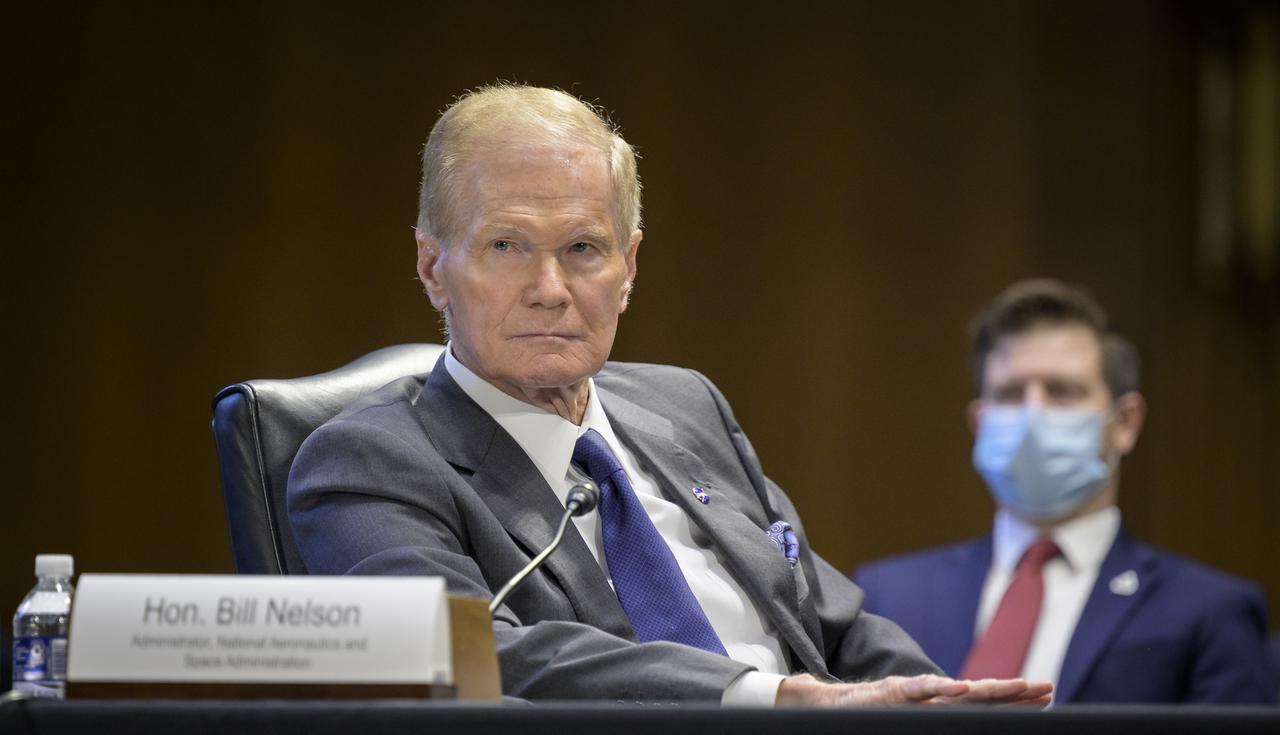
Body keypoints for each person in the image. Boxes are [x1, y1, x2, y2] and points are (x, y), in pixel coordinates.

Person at [286, 84, 1050, 707]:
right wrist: (766, 698)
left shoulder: (684, 406)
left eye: (583, 248)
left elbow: (829, 620)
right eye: (506, 245)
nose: (550, 290)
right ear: (432, 268)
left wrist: (946, 701)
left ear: (630, 266)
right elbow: (478, 654)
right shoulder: (368, 461)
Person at [853, 279, 1276, 705]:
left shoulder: (1208, 610)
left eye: (1063, 391)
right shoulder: (889, 596)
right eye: (1009, 393)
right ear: (979, 424)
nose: (1032, 415)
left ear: (1125, 422)